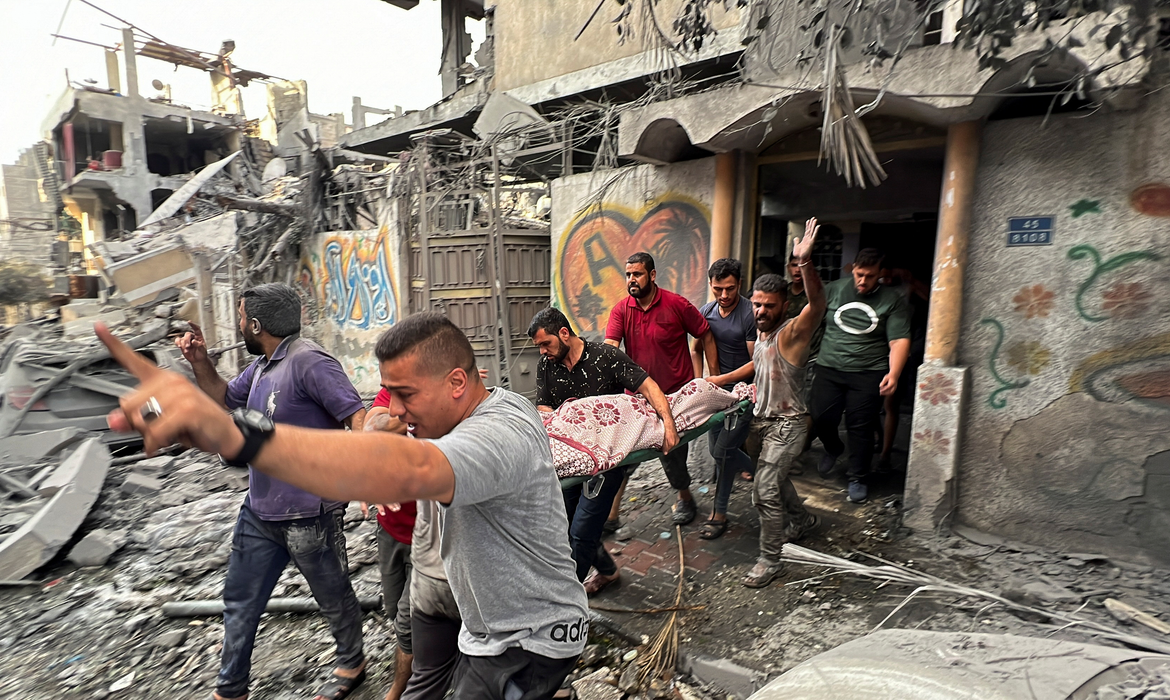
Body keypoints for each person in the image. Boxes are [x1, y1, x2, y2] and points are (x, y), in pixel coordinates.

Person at [103, 311, 588, 700]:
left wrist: (236, 436)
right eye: (390, 394)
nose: (396, 409)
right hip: (483, 626)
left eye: (406, 395)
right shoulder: (470, 411)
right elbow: (376, 434)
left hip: (529, 640)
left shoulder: (499, 432)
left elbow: (415, 469)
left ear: (457, 382)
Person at [174, 283, 369, 700]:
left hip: (311, 512)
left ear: (256, 325)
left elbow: (357, 415)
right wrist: (200, 362)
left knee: (332, 595)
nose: (239, 325)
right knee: (240, 601)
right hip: (260, 510)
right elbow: (225, 397)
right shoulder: (263, 365)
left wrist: (364, 478)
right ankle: (231, 688)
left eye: (241, 318)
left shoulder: (309, 361)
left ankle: (352, 663)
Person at [530, 307, 678, 595]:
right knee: (565, 525)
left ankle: (565, 600)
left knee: (581, 532)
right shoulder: (546, 366)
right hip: (571, 461)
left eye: (545, 343)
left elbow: (648, 387)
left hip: (607, 461)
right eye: (539, 346)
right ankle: (608, 572)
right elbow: (545, 412)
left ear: (564, 333)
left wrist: (668, 425)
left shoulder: (605, 357)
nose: (542, 352)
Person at [726, 219, 825, 588]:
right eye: (756, 305)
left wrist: (805, 262)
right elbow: (760, 366)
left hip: (788, 424)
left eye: (769, 306)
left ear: (785, 305)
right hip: (761, 422)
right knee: (776, 481)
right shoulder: (763, 333)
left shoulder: (793, 332)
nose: (761, 311)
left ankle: (771, 561)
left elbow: (818, 304)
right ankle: (802, 520)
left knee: (764, 490)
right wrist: (721, 382)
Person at [604, 252, 719, 527]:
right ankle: (611, 516)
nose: (631, 280)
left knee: (672, 454)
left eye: (637, 274)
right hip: (638, 398)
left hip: (675, 397)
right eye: (628, 275)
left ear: (652, 275)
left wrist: (713, 377)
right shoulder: (621, 310)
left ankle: (685, 498)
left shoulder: (676, 304)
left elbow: (705, 333)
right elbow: (610, 349)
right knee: (624, 457)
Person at [810, 248, 912, 504]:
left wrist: (894, 373)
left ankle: (858, 476)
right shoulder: (835, 289)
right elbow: (811, 315)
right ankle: (833, 447)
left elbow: (899, 340)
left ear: (880, 274)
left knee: (861, 426)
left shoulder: (892, 299)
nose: (863, 281)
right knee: (820, 417)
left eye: (870, 276)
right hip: (829, 367)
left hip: (868, 371)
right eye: (859, 274)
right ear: (853, 269)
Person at [689, 258, 756, 539]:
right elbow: (695, 349)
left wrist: (723, 379)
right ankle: (764, 477)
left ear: (739, 284)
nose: (724, 295)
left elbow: (757, 362)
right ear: (711, 285)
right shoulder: (706, 311)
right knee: (720, 453)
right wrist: (700, 382)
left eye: (730, 288)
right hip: (717, 394)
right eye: (718, 289)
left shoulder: (750, 313)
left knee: (722, 452)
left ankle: (720, 512)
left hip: (744, 396)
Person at [362, 389, 416, 700]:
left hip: (433, 537)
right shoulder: (394, 389)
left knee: (408, 623)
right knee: (395, 612)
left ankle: (398, 691)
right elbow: (372, 426)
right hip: (391, 529)